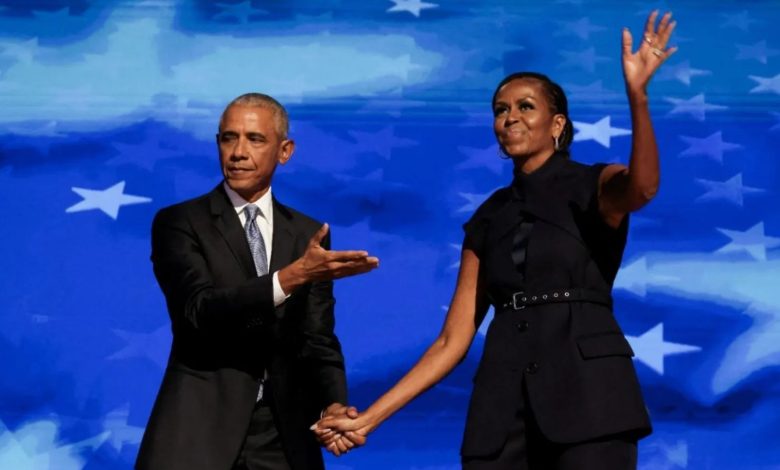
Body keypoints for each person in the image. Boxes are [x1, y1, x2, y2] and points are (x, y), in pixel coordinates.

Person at [314, 11, 677, 469]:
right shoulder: (489, 216)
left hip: (590, 402)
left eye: (525, 107)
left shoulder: (593, 184)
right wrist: (369, 419)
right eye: (501, 110)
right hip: (502, 411)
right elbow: (452, 340)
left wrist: (638, 97)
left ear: (557, 124)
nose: (510, 118)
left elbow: (642, 189)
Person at [136, 93, 378, 470]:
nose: (238, 152)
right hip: (199, 431)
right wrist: (293, 276)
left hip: (283, 436)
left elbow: (317, 338)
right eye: (228, 138)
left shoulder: (308, 234)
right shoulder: (180, 222)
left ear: (285, 151)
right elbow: (198, 311)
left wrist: (332, 404)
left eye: (255, 139)